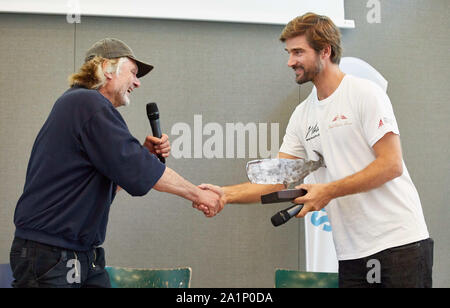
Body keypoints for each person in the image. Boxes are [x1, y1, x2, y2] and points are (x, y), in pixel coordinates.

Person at [196, 13, 433, 288]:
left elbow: (391, 164)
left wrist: (328, 190)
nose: (290, 61)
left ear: (325, 51)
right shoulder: (302, 115)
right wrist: (224, 195)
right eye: (288, 52)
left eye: (298, 52)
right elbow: (277, 179)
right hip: (352, 254)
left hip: (399, 245)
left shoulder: (365, 93)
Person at [10, 38, 220, 288]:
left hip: (79, 253)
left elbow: (112, 183)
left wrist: (144, 154)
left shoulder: (81, 106)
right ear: (107, 69)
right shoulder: (88, 104)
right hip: (53, 253)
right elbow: (141, 171)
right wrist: (198, 194)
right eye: (133, 72)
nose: (137, 82)